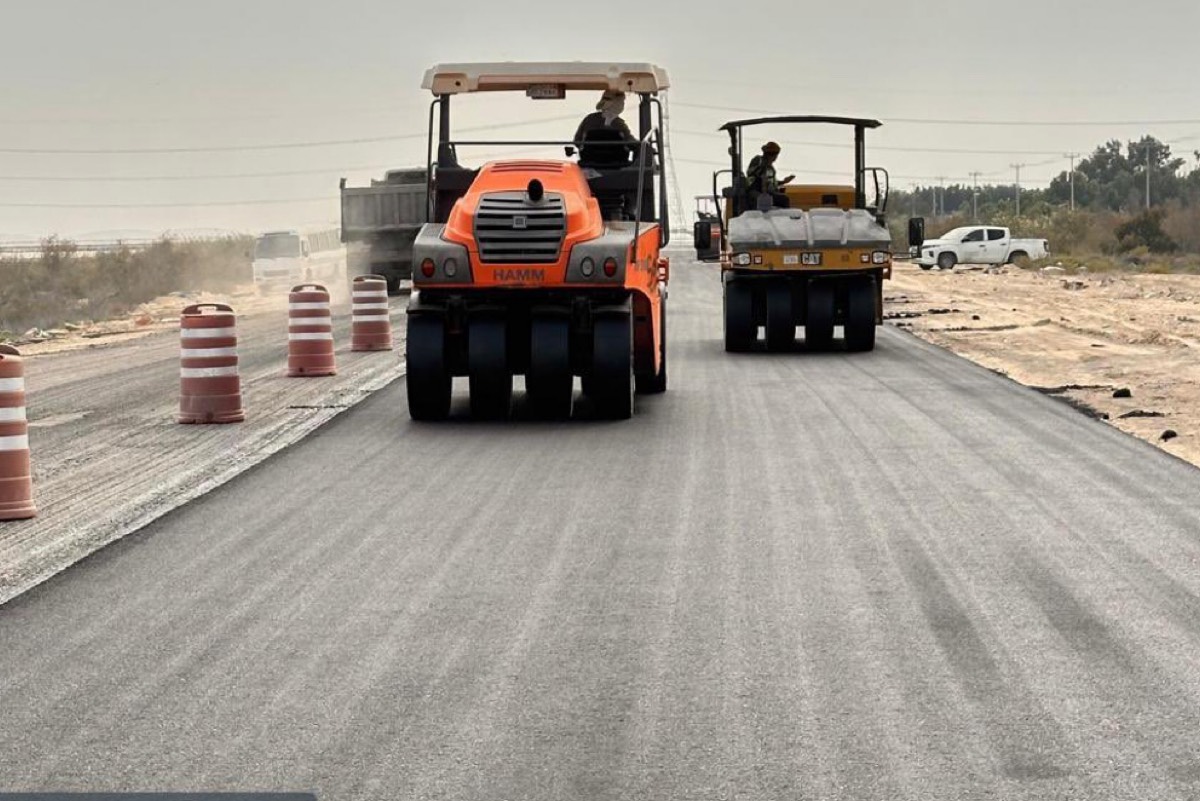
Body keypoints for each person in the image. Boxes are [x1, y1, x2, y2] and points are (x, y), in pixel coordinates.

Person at [572, 90, 637, 167]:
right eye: (622, 102)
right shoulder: (619, 124)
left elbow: (577, 141)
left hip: (589, 161)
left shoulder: (589, 119)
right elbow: (631, 143)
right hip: (617, 164)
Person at [746, 141, 794, 209]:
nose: (775, 158)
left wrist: (783, 182)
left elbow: (771, 182)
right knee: (783, 199)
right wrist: (763, 166)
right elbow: (751, 173)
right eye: (775, 156)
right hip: (757, 190)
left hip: (770, 192)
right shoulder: (758, 160)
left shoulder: (771, 168)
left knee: (783, 198)